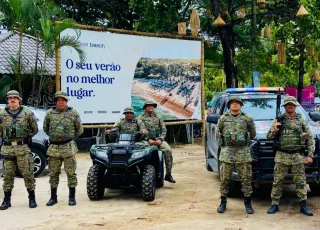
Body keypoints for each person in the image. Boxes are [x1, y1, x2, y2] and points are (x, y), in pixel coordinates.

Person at [267, 96, 314, 216]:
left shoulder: (301, 120)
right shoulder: (279, 120)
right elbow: (269, 137)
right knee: (277, 181)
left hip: (297, 156)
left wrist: (310, 155)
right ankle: (275, 204)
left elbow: (310, 138)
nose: (290, 106)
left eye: (292, 104)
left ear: (295, 106)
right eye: (288, 104)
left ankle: (303, 205)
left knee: (301, 182)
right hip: (282, 155)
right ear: (284, 106)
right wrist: (275, 130)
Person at [216, 96, 256, 214]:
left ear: (241, 105)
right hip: (227, 153)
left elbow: (253, 134)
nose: (235, 104)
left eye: (237, 103)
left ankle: (248, 203)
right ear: (229, 105)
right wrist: (227, 138)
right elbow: (218, 133)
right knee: (224, 180)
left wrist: (243, 138)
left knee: (246, 180)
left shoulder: (247, 118)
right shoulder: (223, 118)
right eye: (232, 103)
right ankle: (223, 203)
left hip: (242, 153)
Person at [43, 91, 83, 206]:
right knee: (53, 173)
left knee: (71, 173)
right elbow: (46, 128)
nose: (61, 102)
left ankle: (71, 197)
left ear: (66, 101)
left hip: (68, 148)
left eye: (63, 100)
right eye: (58, 100)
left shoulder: (73, 113)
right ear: (55, 101)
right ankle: (53, 197)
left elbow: (79, 130)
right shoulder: (50, 113)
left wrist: (69, 139)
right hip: (54, 148)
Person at [0, 90, 38, 210]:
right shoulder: (1, 114)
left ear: (19, 100)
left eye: (15, 98)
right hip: (7, 148)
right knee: (7, 175)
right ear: (7, 100)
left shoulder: (27, 113)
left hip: (22, 147)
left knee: (27, 173)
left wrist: (25, 137)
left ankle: (32, 199)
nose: (12, 100)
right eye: (10, 98)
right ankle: (6, 200)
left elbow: (34, 129)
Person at [138, 100, 176, 183]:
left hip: (158, 139)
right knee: (144, 152)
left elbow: (164, 130)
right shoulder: (140, 118)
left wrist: (160, 139)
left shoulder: (158, 117)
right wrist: (148, 140)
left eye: (152, 106)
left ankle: (168, 174)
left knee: (168, 150)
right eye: (148, 105)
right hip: (146, 140)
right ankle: (142, 175)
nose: (150, 107)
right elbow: (141, 130)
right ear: (145, 107)